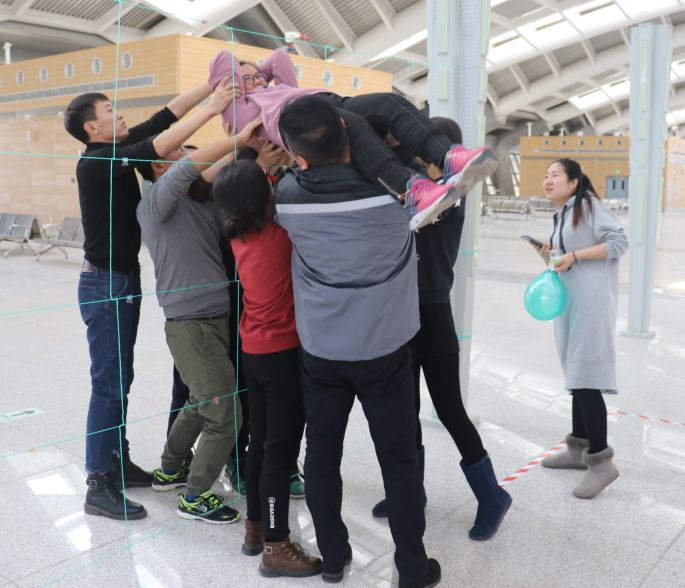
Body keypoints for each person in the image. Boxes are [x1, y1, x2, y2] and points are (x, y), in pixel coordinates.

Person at [274, 95, 440, 588]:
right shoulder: (399, 198)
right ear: (352, 136)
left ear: (299, 158)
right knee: (399, 460)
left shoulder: (287, 198)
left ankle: (333, 558)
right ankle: (411, 567)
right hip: (386, 351)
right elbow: (420, 178)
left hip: (322, 351)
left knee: (322, 456)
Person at [64, 78, 235, 520]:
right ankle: (97, 482)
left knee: (121, 380)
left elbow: (165, 118)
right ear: (90, 127)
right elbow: (161, 144)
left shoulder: (116, 150)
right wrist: (216, 107)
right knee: (108, 384)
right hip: (105, 284)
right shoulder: (98, 161)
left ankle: (116, 462)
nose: (118, 112)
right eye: (108, 110)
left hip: (122, 281)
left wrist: (212, 85)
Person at [370, 117, 512, 541]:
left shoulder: (452, 193)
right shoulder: (413, 188)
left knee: (450, 410)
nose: (418, 150)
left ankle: (492, 497)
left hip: (432, 314)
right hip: (400, 314)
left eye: (426, 144)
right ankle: (410, 492)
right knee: (404, 409)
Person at [208, 47, 498, 231]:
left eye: (259, 76)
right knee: (355, 126)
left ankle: (448, 156)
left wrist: (256, 73)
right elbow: (223, 60)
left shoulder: (277, 88)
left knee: (389, 103)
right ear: (233, 86)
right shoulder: (241, 110)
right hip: (301, 119)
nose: (259, 79)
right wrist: (240, 80)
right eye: (247, 79)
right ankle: (411, 193)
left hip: (327, 99)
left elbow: (279, 58)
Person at [136, 116, 262, 523]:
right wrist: (239, 139)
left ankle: (170, 469)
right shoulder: (154, 202)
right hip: (191, 324)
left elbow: (217, 189)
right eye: (177, 151)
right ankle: (195, 496)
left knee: (200, 400)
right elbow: (188, 171)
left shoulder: (199, 206)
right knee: (225, 413)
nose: (187, 154)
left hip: (212, 320)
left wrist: (259, 158)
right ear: (158, 166)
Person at [211, 159, 322, 578]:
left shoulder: (238, 235)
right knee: (279, 451)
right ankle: (276, 545)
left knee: (259, 444)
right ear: (266, 194)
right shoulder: (282, 236)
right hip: (282, 354)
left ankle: (255, 526)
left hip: (253, 351)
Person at [533, 158, 628, 498]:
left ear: (574, 182)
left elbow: (618, 242)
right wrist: (551, 255)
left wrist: (573, 256)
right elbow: (566, 260)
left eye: (555, 174)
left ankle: (602, 464)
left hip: (590, 302)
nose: (548, 179)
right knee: (576, 373)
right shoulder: (563, 213)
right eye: (546, 175)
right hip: (570, 301)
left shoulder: (588, 205)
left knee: (586, 377)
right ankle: (578, 449)